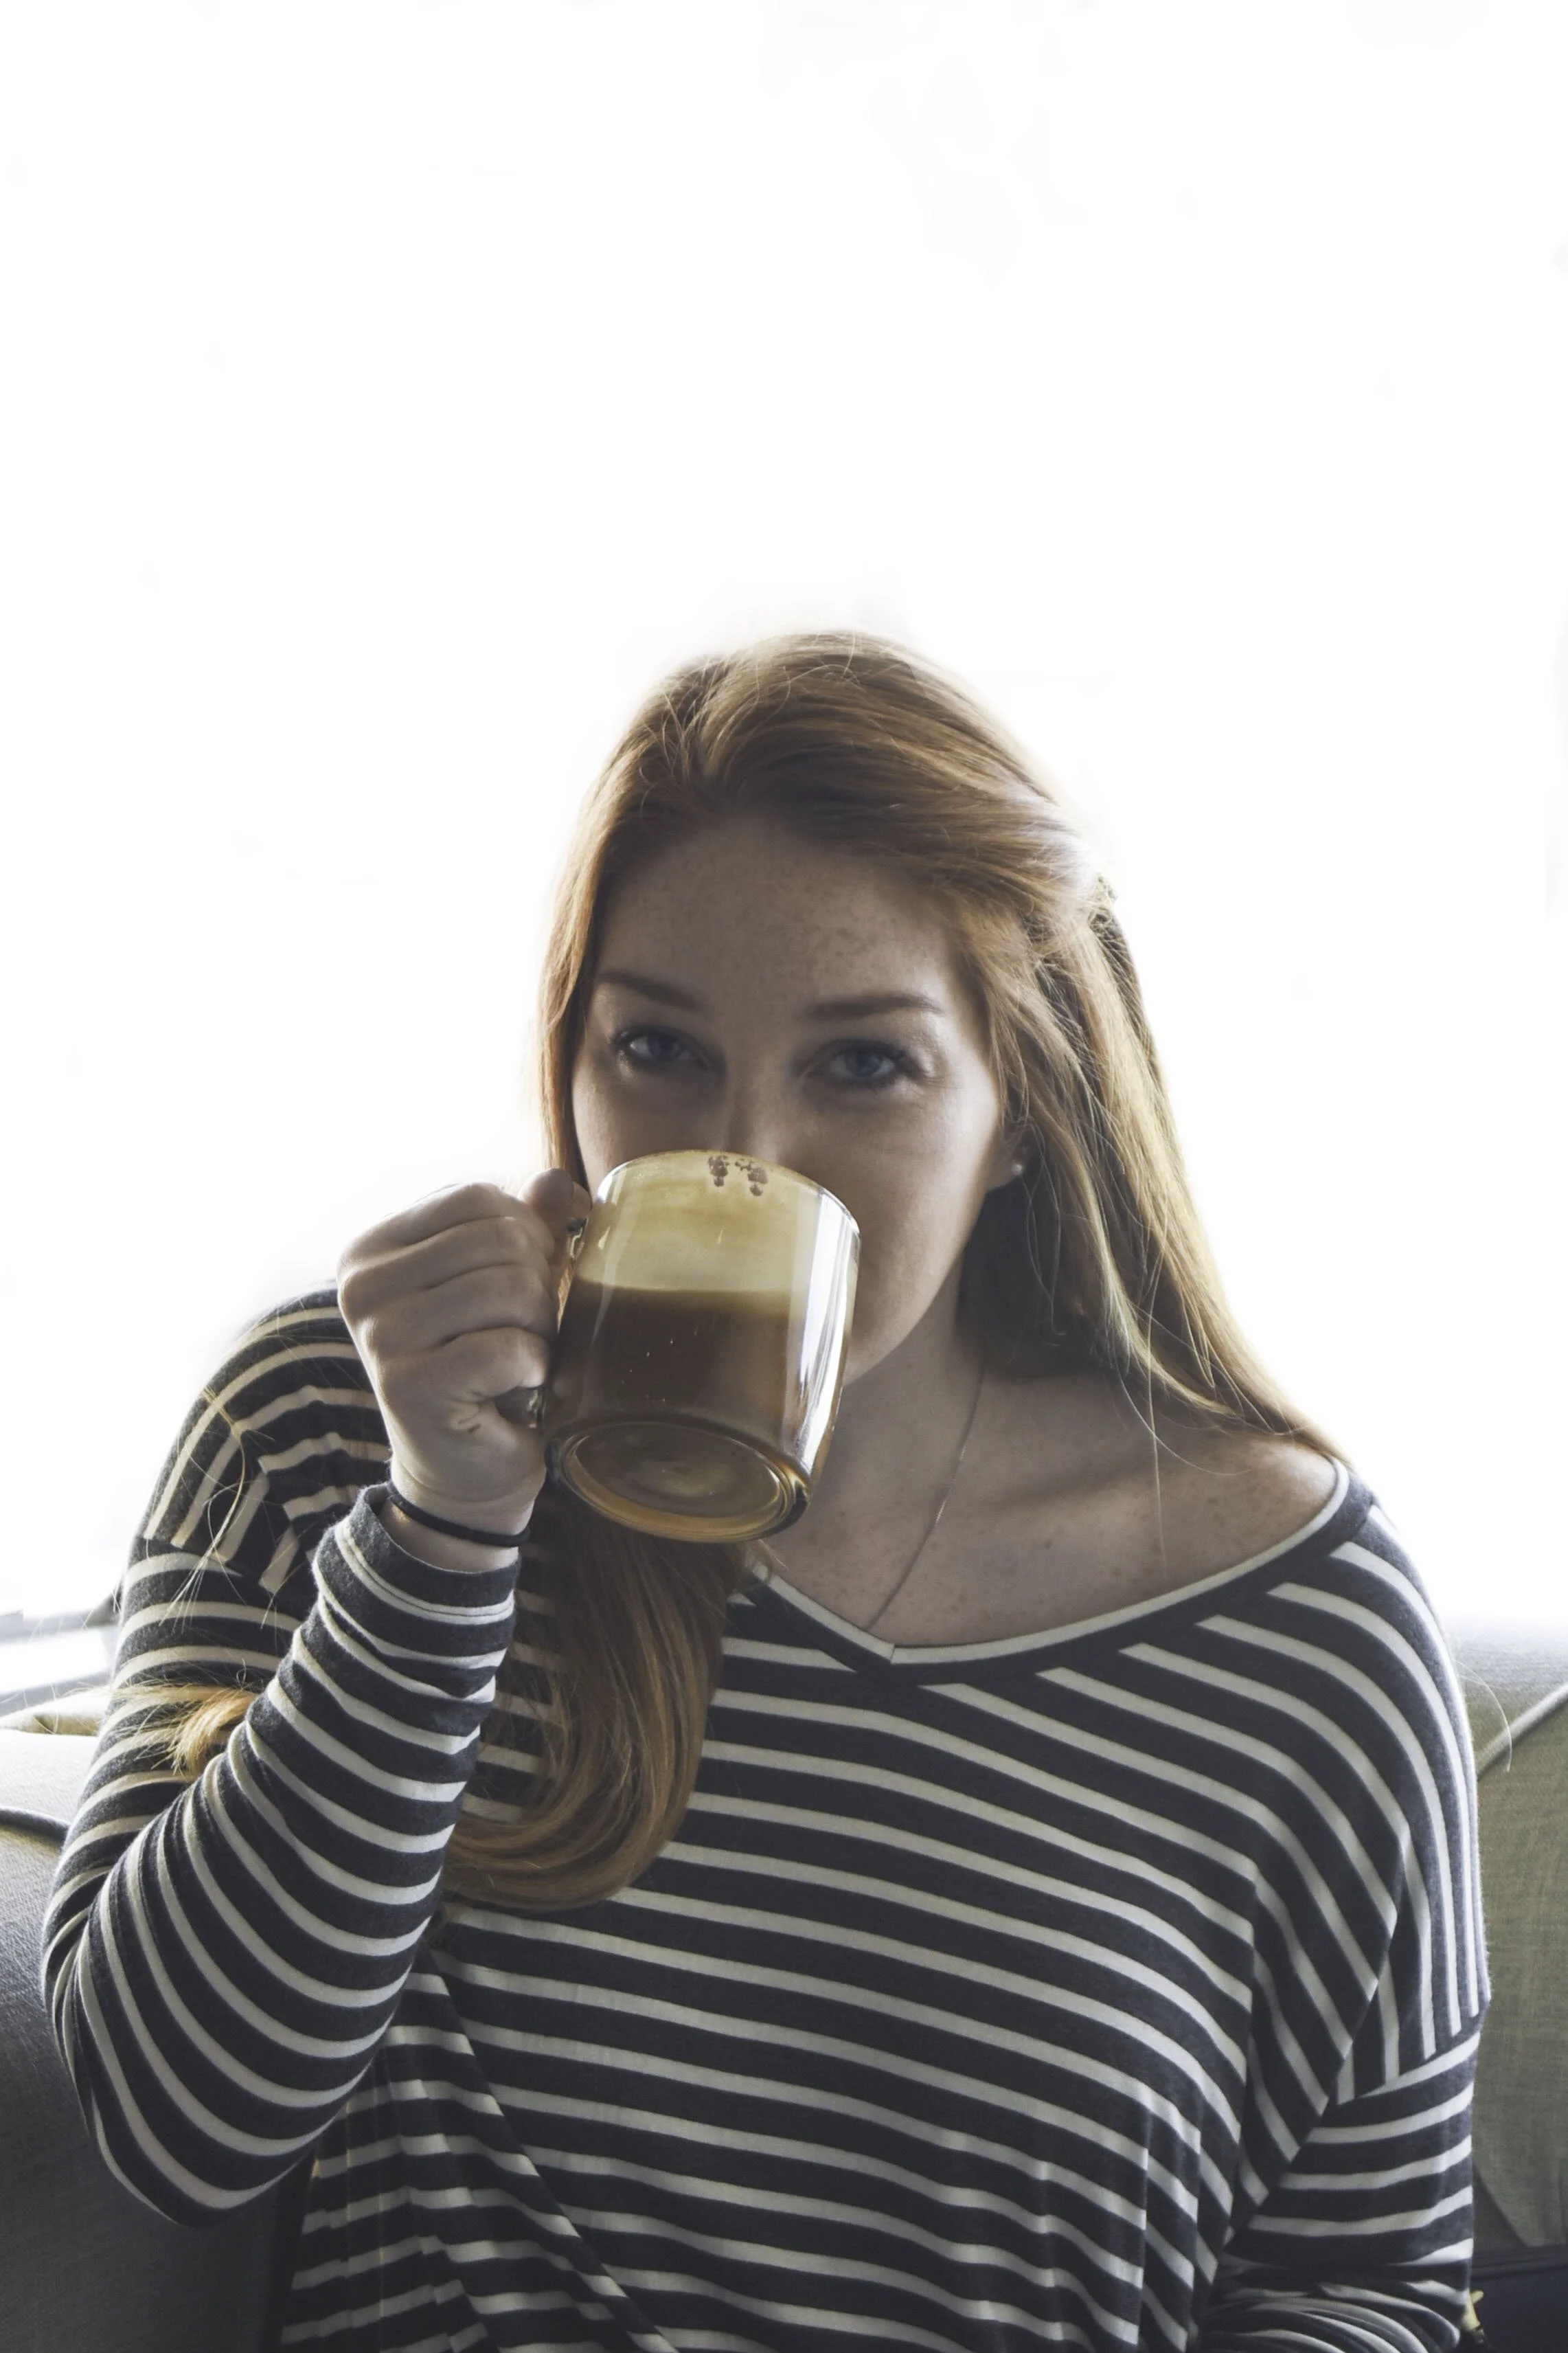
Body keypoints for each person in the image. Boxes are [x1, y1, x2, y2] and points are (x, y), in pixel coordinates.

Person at [44, 633, 1485, 2352]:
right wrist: (443, 1532)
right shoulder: (335, 1424)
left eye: (863, 1064)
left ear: (1020, 1109)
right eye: (655, 1048)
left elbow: (1364, 2282)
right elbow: (170, 2115)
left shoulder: (1298, 1609)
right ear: (566, 1061)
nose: (745, 1153)